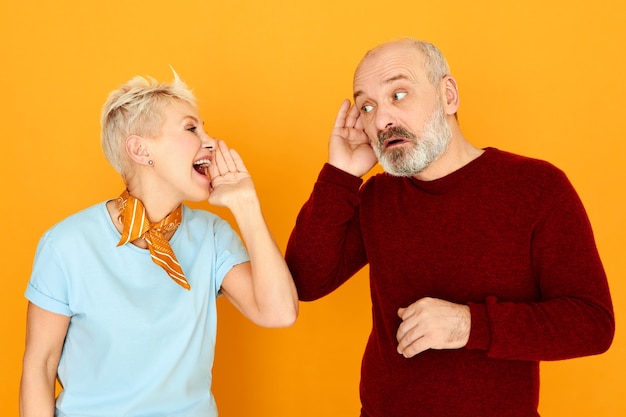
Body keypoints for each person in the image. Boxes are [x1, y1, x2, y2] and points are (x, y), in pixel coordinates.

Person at [285, 38, 614, 417]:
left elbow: (592, 323)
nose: (381, 120)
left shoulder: (537, 187)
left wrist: (469, 324)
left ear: (448, 95)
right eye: (367, 106)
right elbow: (305, 281)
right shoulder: (377, 197)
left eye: (399, 93)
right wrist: (340, 175)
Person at [20, 72, 298, 417]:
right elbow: (40, 366)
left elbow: (280, 313)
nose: (210, 142)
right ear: (140, 149)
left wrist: (246, 203)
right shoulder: (66, 245)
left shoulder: (212, 235)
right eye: (191, 128)